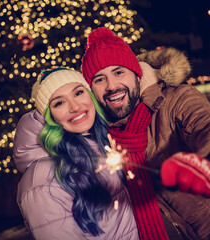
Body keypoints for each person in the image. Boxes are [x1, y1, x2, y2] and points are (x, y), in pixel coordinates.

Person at [80, 27, 210, 240]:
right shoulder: (102, 138)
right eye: (99, 79)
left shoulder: (174, 100)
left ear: (136, 74)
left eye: (118, 72)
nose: (112, 86)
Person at [13, 66, 140, 239]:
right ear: (50, 117)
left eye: (78, 93)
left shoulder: (104, 143)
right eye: (59, 103)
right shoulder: (41, 181)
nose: (75, 107)